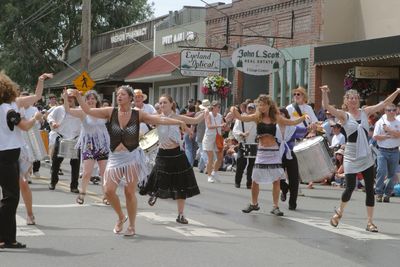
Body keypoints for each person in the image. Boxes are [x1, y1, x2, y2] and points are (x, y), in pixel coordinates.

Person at [72, 86, 187, 236]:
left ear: (130, 98)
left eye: (123, 94)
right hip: (115, 157)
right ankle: (121, 217)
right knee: (108, 190)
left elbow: (159, 119)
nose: (119, 96)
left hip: (132, 156)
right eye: (118, 94)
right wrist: (78, 97)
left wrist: (177, 122)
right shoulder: (110, 111)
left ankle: (132, 226)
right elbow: (87, 110)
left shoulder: (137, 114)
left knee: (129, 192)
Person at [321, 85, 400, 232]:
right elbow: (326, 106)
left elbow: (384, 104)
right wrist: (324, 92)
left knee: (370, 189)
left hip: (365, 155)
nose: (354, 100)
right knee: (350, 187)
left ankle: (370, 222)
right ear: (346, 100)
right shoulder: (344, 115)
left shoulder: (365, 111)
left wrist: (397, 91)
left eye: (356, 98)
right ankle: (339, 212)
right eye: (351, 98)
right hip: (351, 155)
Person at [231, 95, 308, 216]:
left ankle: (275, 206)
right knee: (255, 179)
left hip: (273, 151)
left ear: (269, 105)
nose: (261, 107)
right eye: (259, 105)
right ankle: (254, 204)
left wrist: (303, 118)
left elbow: (290, 122)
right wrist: (233, 110)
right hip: (261, 151)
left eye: (263, 104)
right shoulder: (257, 117)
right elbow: (241, 117)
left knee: (276, 180)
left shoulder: (275, 117)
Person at [141, 95, 203, 224]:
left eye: (165, 102)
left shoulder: (178, 117)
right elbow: (144, 119)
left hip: (177, 154)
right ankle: (155, 193)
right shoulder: (157, 118)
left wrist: (206, 111)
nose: (162, 105)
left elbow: (196, 121)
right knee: (159, 179)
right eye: (160, 103)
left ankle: (180, 214)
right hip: (163, 153)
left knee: (181, 185)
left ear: (171, 104)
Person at [0, 71, 45, 249]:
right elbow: (25, 126)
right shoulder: (7, 109)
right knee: (11, 198)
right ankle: (3, 237)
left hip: (5, 154)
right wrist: (35, 117)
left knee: (10, 197)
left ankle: (9, 238)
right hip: (7, 156)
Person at [62, 89, 110, 205]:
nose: (90, 101)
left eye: (93, 98)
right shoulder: (82, 112)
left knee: (104, 172)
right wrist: (65, 98)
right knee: (87, 172)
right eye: (88, 99)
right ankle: (82, 192)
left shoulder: (103, 112)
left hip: (102, 145)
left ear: (96, 100)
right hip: (89, 145)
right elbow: (68, 110)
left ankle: (106, 195)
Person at [47, 89, 82, 193]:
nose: (69, 99)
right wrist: (53, 123)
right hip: (61, 137)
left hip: (75, 139)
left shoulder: (80, 109)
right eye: (67, 97)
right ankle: (53, 181)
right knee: (56, 162)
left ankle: (74, 186)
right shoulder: (58, 109)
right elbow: (49, 116)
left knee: (75, 164)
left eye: (71, 97)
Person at [277, 107, 303, 211]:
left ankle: (292, 203)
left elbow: (304, 131)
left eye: (283, 114)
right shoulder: (274, 128)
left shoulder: (292, 128)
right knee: (277, 177)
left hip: (290, 154)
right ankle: (284, 189)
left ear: (286, 116)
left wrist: (312, 128)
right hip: (278, 155)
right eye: (279, 114)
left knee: (294, 179)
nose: (281, 116)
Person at [373, 103, 400, 203]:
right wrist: (386, 136)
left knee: (392, 174)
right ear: (385, 111)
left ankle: (387, 194)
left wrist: (389, 130)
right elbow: (375, 136)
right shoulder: (380, 122)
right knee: (381, 171)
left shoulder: (398, 121)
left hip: (395, 151)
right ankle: (379, 193)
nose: (391, 112)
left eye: (393, 110)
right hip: (382, 151)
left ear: (396, 110)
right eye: (389, 110)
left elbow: (399, 135)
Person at [232, 102, 257, 189]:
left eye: (252, 108)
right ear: (246, 109)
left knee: (251, 165)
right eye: (249, 108)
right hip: (243, 143)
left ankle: (249, 183)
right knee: (241, 163)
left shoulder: (257, 120)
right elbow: (235, 130)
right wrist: (241, 134)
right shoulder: (241, 119)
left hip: (253, 144)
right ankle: (237, 181)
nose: (250, 110)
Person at [203, 101, 225, 183]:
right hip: (209, 138)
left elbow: (224, 126)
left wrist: (225, 126)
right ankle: (209, 176)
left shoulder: (220, 116)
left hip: (218, 137)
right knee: (210, 158)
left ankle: (214, 172)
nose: (219, 108)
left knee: (220, 157)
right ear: (213, 107)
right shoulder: (209, 114)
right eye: (217, 107)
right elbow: (209, 126)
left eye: (219, 107)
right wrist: (220, 126)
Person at [195, 99, 210, 173]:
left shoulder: (198, 114)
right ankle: (206, 165)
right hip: (204, 135)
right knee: (203, 151)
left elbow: (193, 124)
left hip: (202, 135)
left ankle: (202, 166)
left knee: (203, 151)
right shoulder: (209, 114)